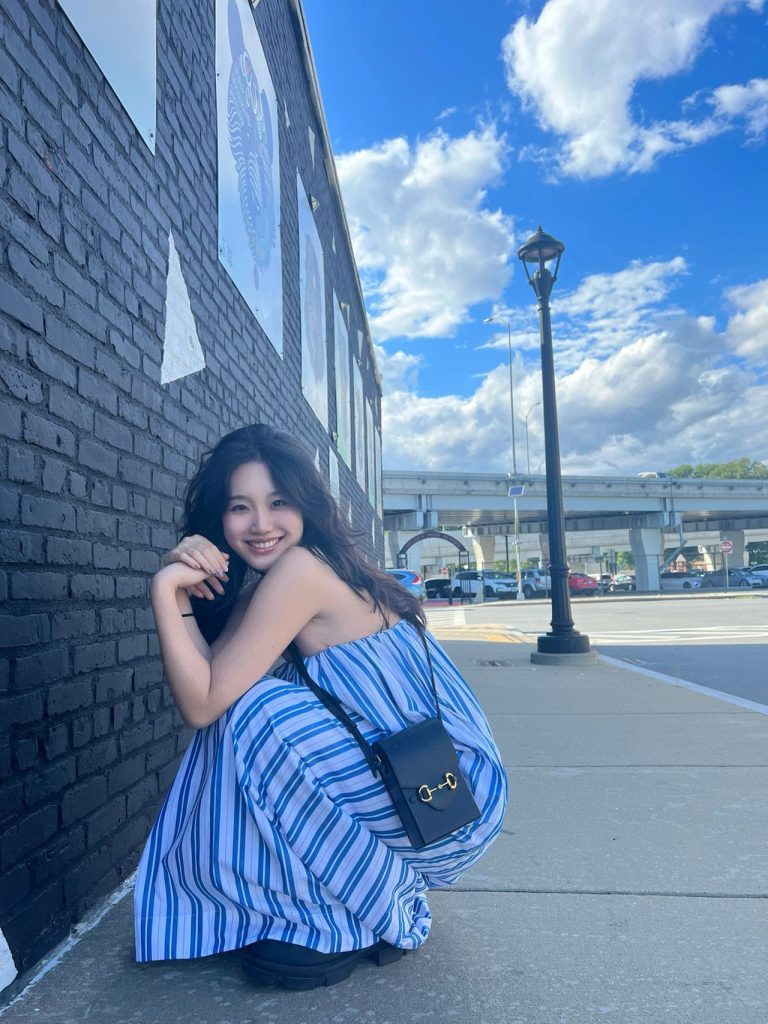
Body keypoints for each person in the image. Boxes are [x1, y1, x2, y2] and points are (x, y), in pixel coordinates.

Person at [134, 424, 507, 990]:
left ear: (305, 503)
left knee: (258, 712)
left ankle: (344, 918)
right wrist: (182, 588)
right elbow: (209, 683)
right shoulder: (290, 575)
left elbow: (204, 703)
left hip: (444, 799)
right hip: (434, 788)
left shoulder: (302, 571)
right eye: (240, 507)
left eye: (278, 502)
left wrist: (163, 590)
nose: (260, 524)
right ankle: (329, 903)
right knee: (247, 708)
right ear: (220, 518)